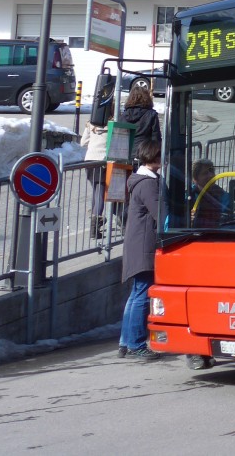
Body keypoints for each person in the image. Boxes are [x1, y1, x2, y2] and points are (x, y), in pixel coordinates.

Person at [119, 139, 162, 361]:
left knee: (136, 293)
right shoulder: (148, 184)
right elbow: (159, 214)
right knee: (142, 295)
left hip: (136, 244)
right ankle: (136, 344)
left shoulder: (141, 180)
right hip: (144, 246)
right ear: (155, 157)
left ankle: (126, 342)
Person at [81, 99, 112, 239]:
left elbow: (83, 142)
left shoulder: (91, 124)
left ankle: (96, 218)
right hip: (103, 161)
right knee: (100, 192)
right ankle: (96, 223)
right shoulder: (112, 124)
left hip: (89, 160)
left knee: (96, 190)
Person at [121, 84, 161, 149]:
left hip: (126, 152)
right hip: (144, 153)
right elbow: (156, 138)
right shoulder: (152, 114)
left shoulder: (124, 115)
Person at [190, 159, 227, 228]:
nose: (211, 175)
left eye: (211, 171)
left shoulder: (220, 192)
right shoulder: (189, 196)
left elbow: (230, 208)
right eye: (205, 173)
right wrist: (188, 219)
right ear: (195, 179)